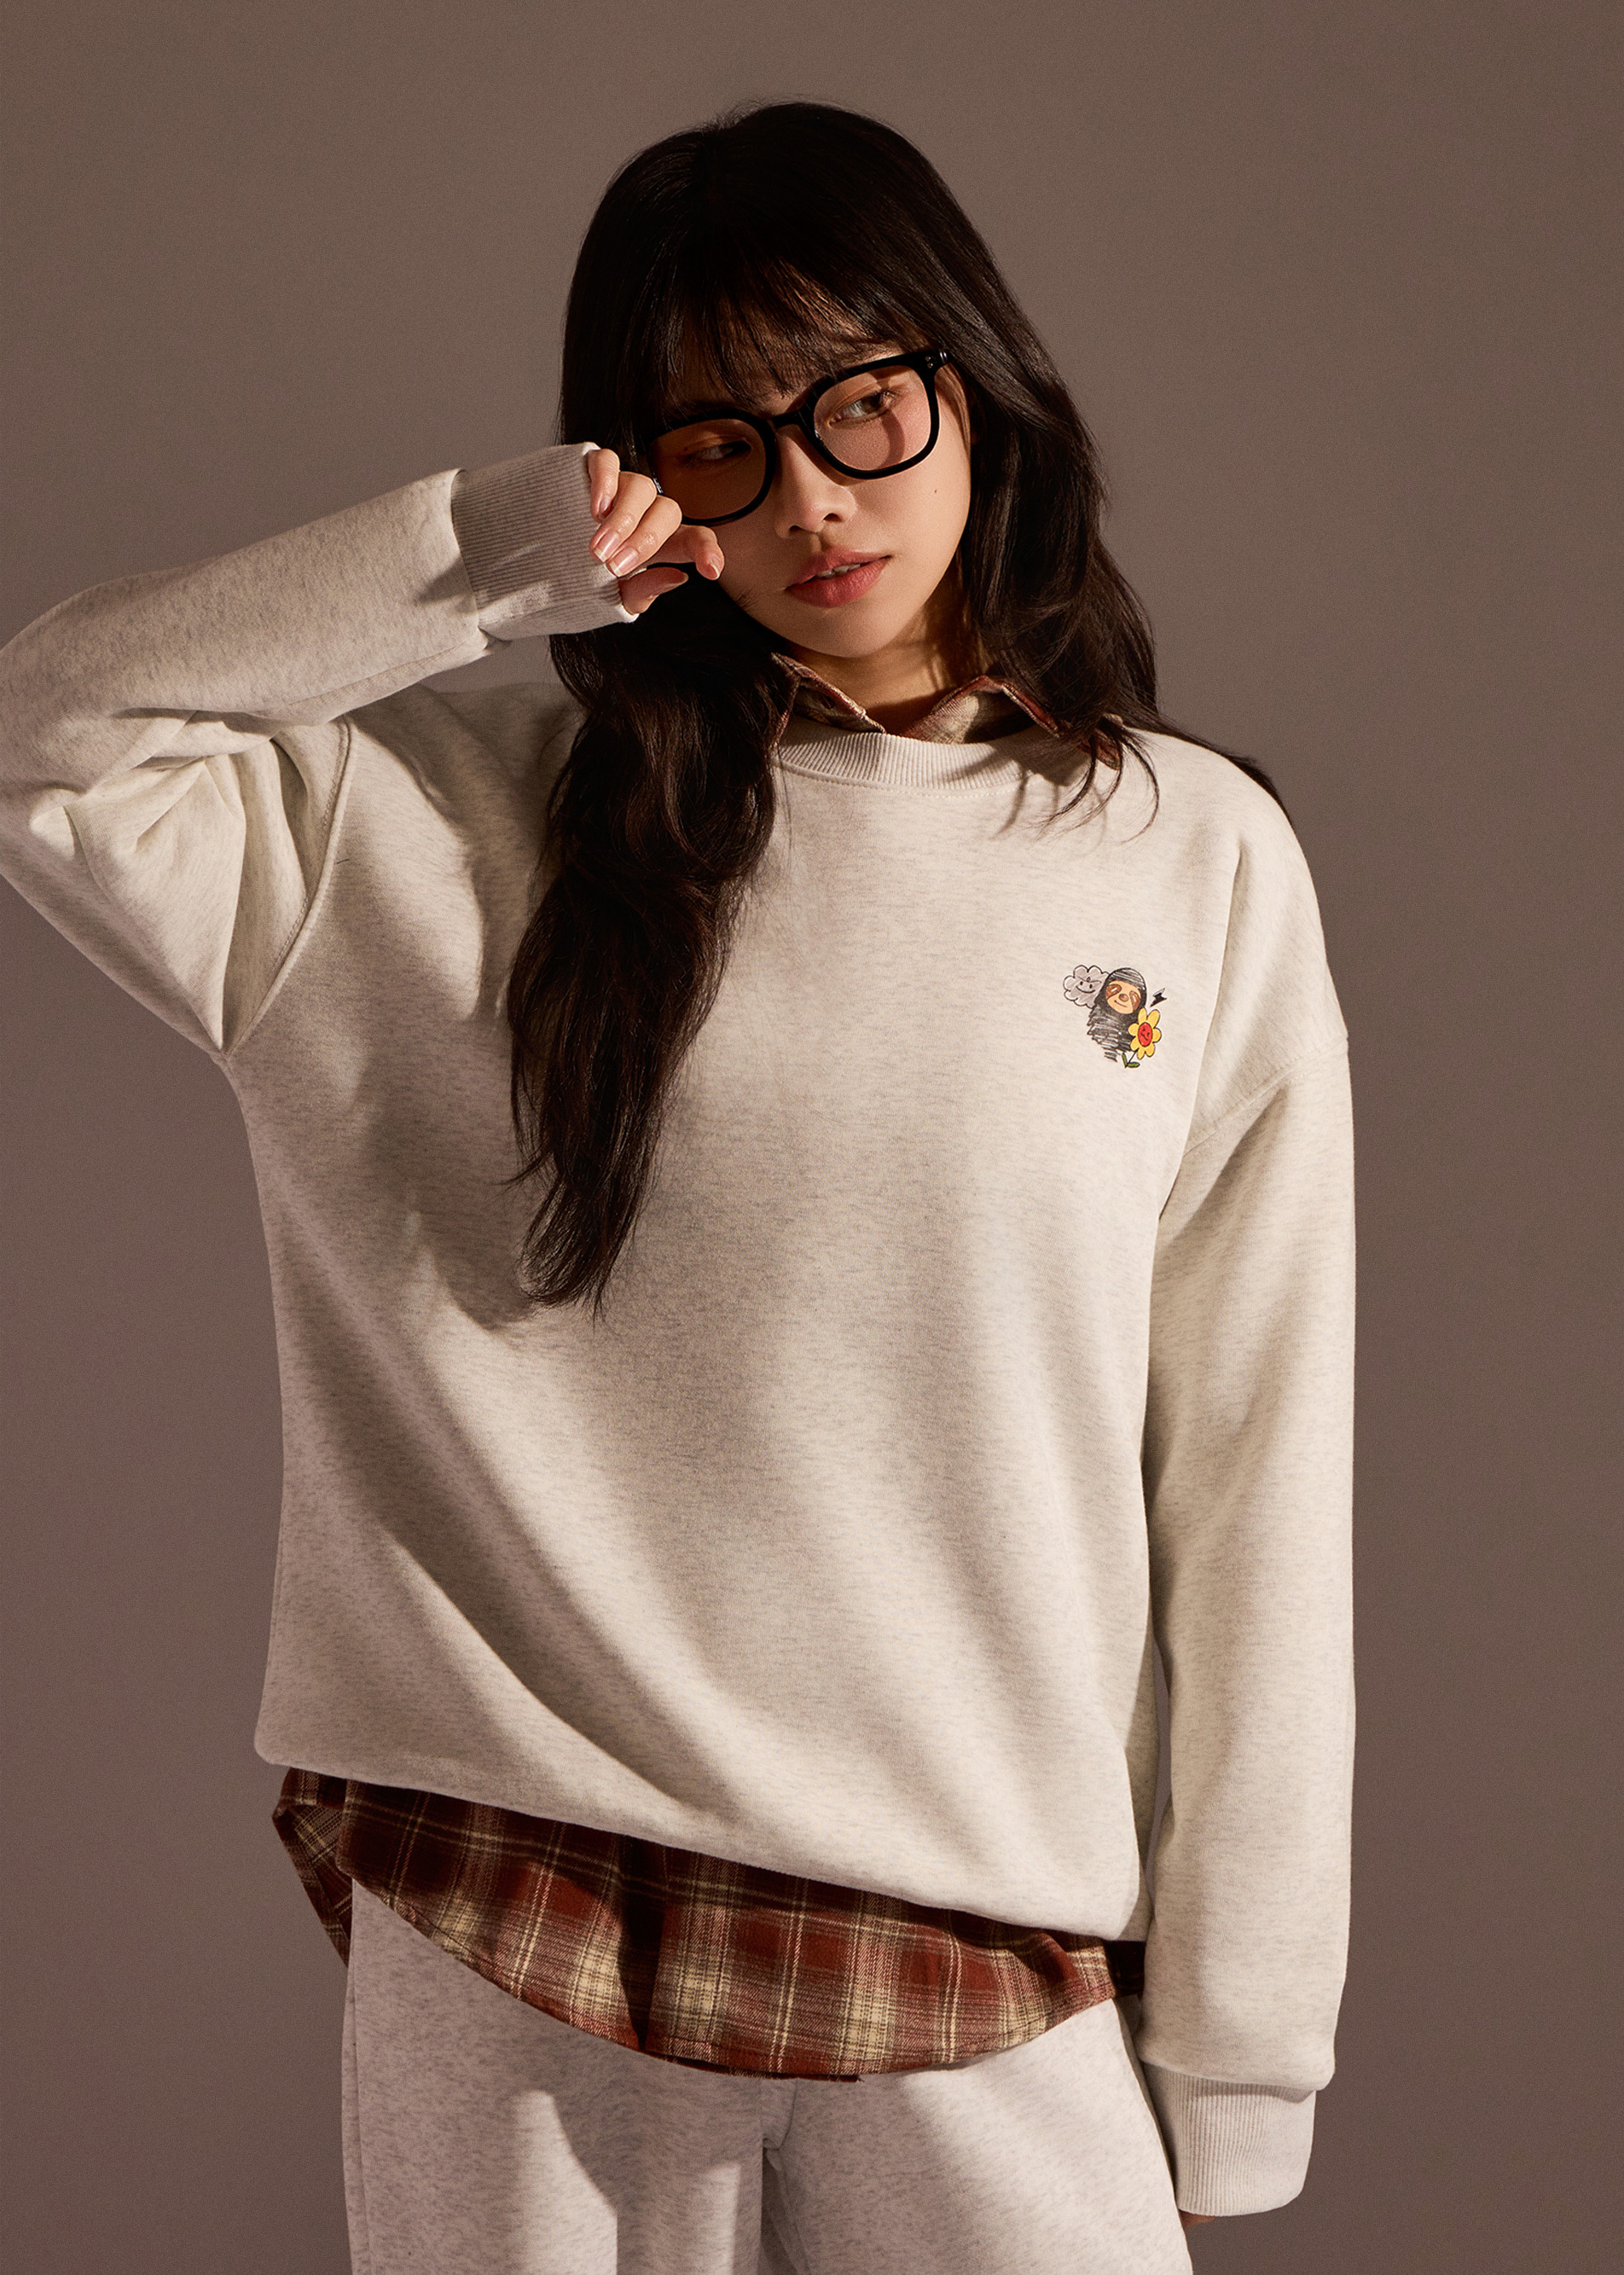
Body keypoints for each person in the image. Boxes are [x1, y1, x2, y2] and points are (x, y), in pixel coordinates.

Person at [0, 98, 1354, 2275]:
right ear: (639, 477)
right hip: (518, 1895)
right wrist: (485, 554)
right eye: (720, 442)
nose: (812, 495)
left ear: (972, 385)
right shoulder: (431, 832)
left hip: (980, 1918)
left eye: (860, 405)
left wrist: (1240, 2047)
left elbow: (1253, 1480)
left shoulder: (1189, 862)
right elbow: (46, 732)